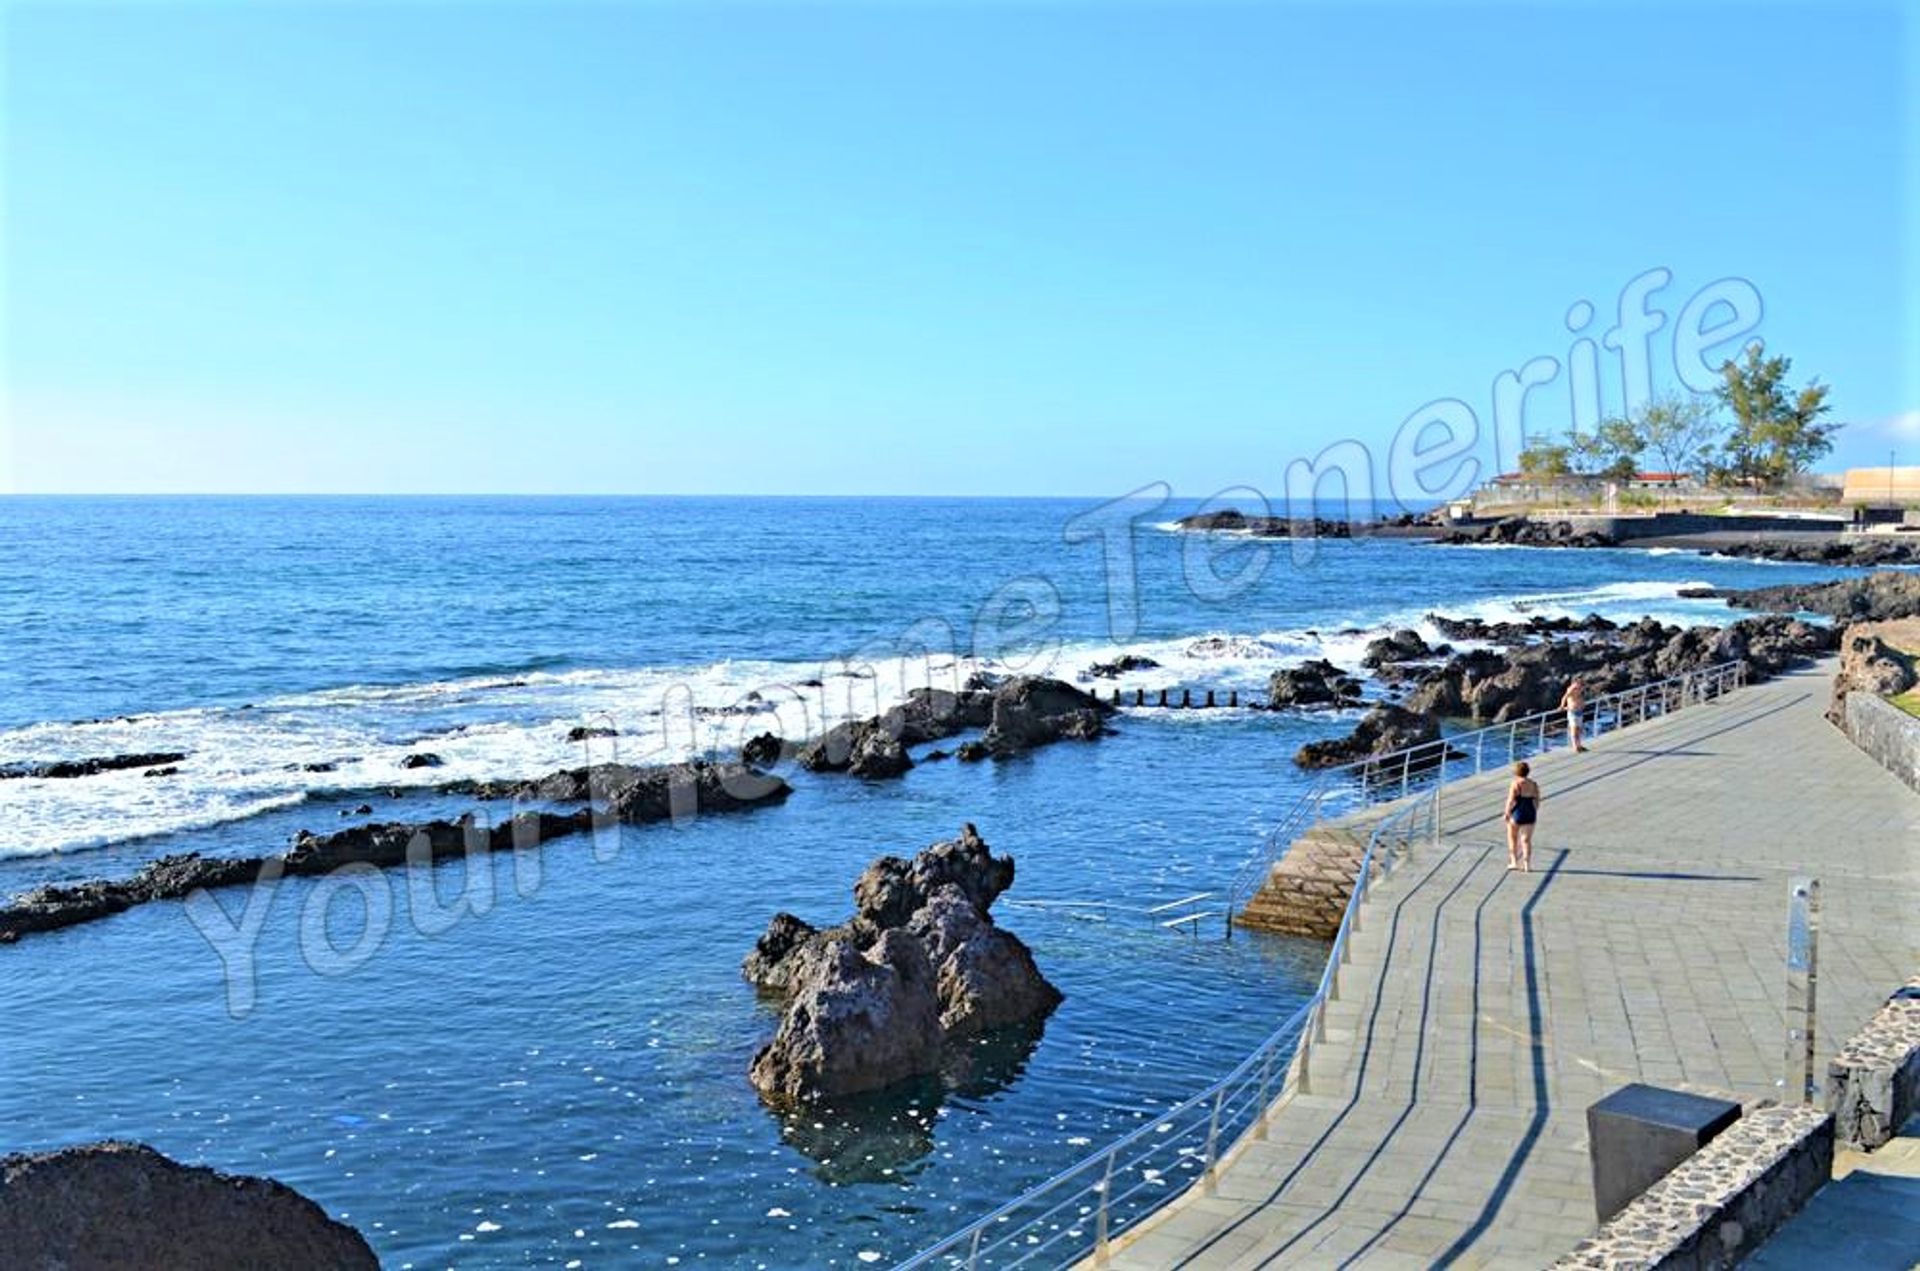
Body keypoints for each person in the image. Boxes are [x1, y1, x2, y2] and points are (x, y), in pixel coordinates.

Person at [1504, 760, 1540, 872]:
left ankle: (1514, 862)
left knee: (1512, 838)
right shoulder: (1534, 784)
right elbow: (1537, 800)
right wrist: (1534, 810)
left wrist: (1506, 813)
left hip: (1517, 812)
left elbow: (1511, 800)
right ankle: (1527, 865)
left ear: (1516, 772)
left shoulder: (1516, 784)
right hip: (1530, 812)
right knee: (1526, 840)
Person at [1559, 677, 1588, 753]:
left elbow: (1580, 698)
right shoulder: (1571, 689)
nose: (1581, 687)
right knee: (1574, 730)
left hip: (1580, 712)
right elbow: (1564, 697)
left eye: (1582, 685)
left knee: (1578, 730)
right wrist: (1562, 706)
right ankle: (1575, 747)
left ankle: (1579, 745)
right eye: (1580, 684)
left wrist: (1583, 703)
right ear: (1575, 683)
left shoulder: (1581, 689)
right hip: (1573, 712)